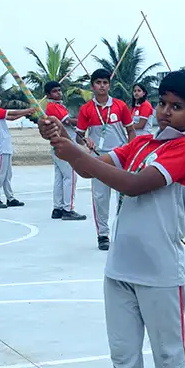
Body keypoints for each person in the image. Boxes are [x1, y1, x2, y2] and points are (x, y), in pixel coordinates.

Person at [40, 68, 185, 368]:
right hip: (120, 268)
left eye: (177, 107)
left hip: (161, 271)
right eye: (163, 103)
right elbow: (93, 166)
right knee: (123, 357)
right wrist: (62, 141)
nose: (166, 112)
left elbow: (131, 184)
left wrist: (77, 153)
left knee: (169, 356)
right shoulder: (143, 142)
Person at [74, 70, 134, 250]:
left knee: (124, 197)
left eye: (105, 82)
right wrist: (85, 140)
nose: (102, 86)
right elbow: (78, 136)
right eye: (98, 82)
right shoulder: (86, 109)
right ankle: (103, 235)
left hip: (120, 156)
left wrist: (132, 151)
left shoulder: (120, 105)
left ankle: (122, 232)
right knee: (100, 198)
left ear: (110, 85)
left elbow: (131, 131)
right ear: (92, 86)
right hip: (98, 158)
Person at [43, 81, 87, 222]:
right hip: (64, 144)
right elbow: (68, 121)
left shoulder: (56, 106)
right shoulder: (54, 107)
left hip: (58, 144)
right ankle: (68, 209)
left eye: (59, 90)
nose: (59, 93)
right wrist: (86, 119)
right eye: (55, 91)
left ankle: (58, 208)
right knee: (71, 176)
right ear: (48, 94)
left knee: (60, 177)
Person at [0, 90, 35, 209]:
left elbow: (12, 118)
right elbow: (12, 112)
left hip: (5, 146)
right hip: (0, 147)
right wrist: (28, 110)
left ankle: (10, 198)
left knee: (7, 174)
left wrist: (25, 114)